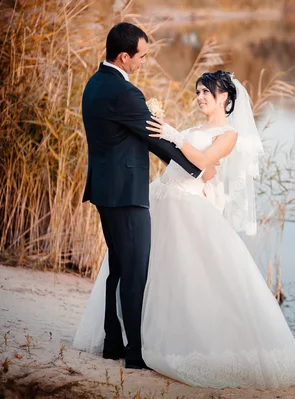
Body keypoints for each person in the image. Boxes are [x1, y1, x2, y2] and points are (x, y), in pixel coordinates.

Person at [74, 70, 295, 388]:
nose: (199, 97)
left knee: (181, 276)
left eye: (206, 92)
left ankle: (169, 342)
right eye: (197, 91)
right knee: (143, 271)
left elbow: (200, 161)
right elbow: (185, 162)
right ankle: (130, 340)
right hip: (159, 198)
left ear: (224, 97)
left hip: (184, 207)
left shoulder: (229, 135)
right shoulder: (194, 128)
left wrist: (174, 135)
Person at [79, 22, 217, 369]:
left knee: (118, 267)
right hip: (126, 195)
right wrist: (198, 169)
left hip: (105, 190)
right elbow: (155, 139)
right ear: (124, 57)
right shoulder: (125, 93)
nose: (143, 61)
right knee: (135, 270)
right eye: (140, 56)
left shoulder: (94, 84)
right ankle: (135, 352)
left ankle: (113, 341)